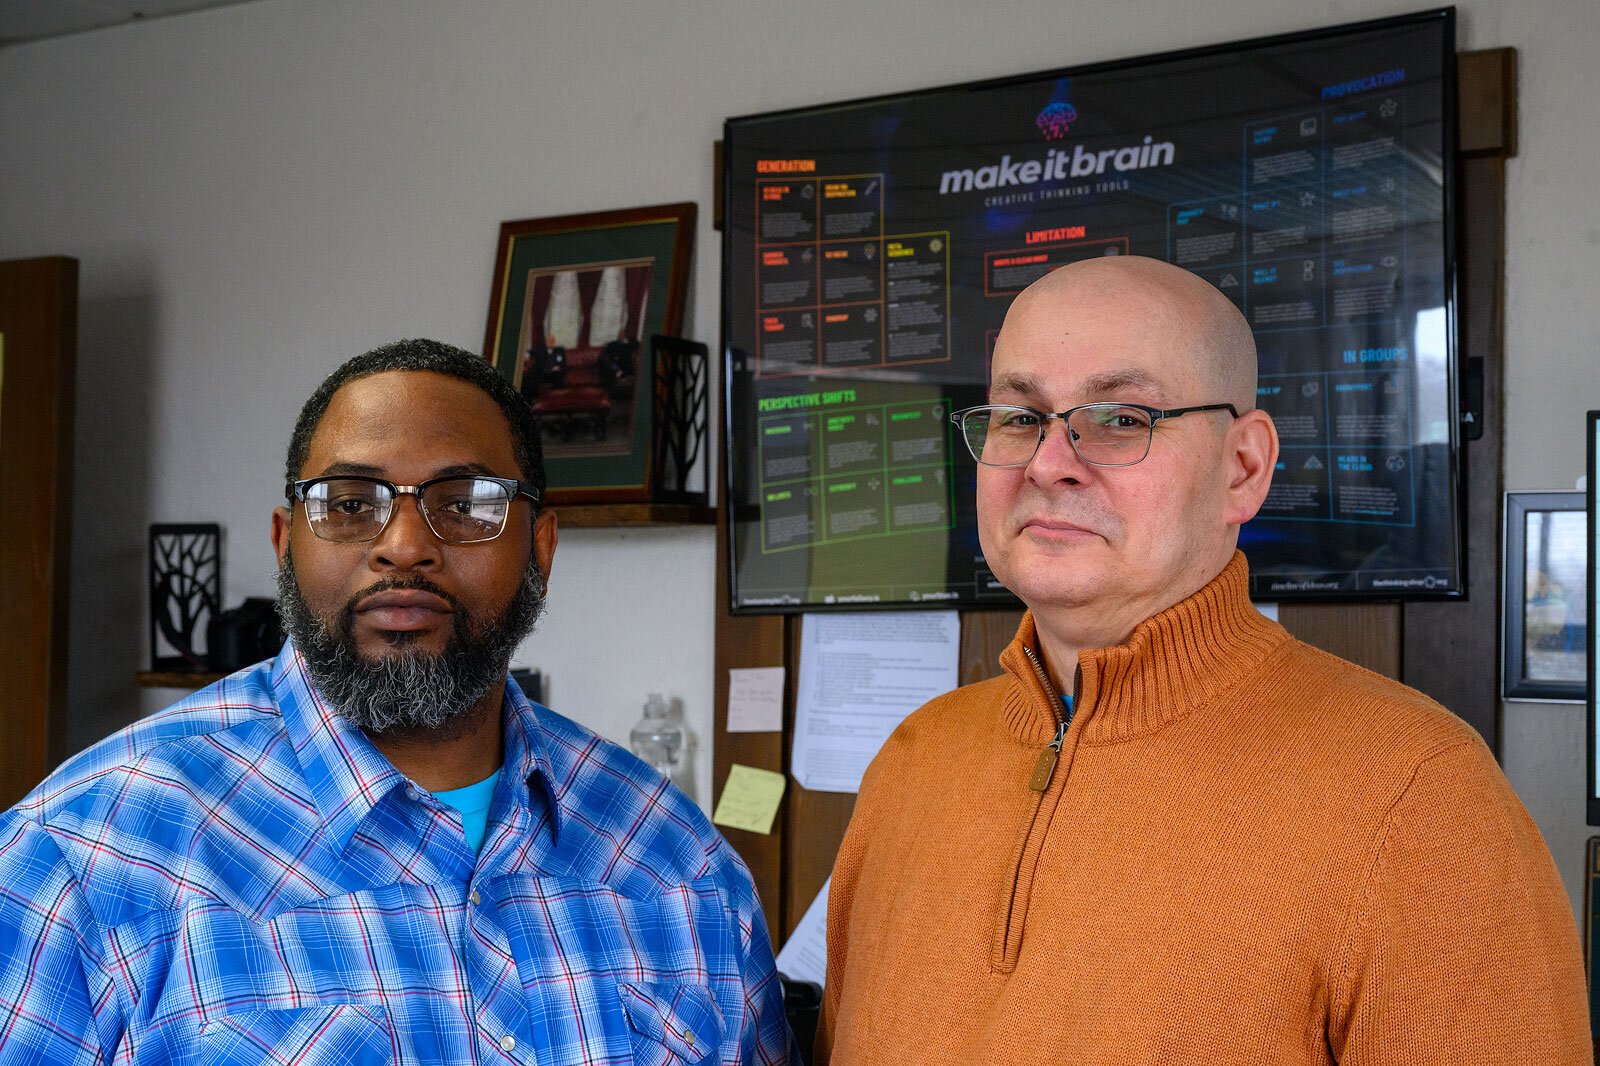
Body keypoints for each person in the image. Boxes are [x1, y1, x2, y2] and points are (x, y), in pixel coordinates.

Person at [818, 258, 1589, 1064]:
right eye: (1020, 417)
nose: (1049, 462)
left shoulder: (1421, 799)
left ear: (1243, 469)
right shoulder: (913, 763)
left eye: (1121, 418)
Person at [0, 340, 795, 1065]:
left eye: (466, 502)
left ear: (540, 550)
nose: (405, 543)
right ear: (286, 544)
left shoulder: (678, 862)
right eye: (349, 503)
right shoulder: (83, 855)